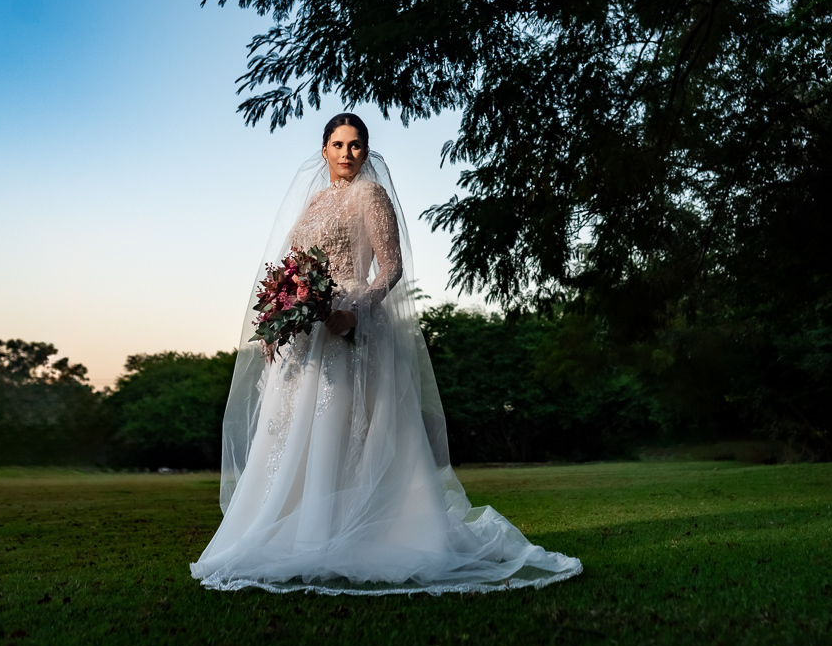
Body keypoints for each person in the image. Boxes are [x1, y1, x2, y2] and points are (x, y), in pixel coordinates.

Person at [190, 113, 582, 595]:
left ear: (366, 149)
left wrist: (355, 309)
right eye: (337, 144)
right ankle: (297, 532)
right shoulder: (313, 204)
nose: (346, 153)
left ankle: (367, 534)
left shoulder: (370, 196)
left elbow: (390, 268)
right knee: (296, 432)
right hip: (307, 333)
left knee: (350, 428)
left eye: (355, 145)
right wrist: (279, 321)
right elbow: (292, 270)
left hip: (353, 326)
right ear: (324, 149)